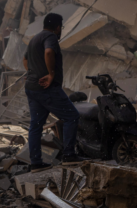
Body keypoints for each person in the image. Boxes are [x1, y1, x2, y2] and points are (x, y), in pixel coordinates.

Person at [23, 13, 88, 172]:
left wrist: (33, 73)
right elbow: (48, 52)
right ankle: (69, 156)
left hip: (32, 88)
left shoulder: (34, 39)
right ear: (58, 27)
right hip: (47, 89)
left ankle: (36, 163)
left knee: (36, 126)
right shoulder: (50, 37)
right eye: (61, 27)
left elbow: (25, 60)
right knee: (71, 116)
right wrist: (51, 74)